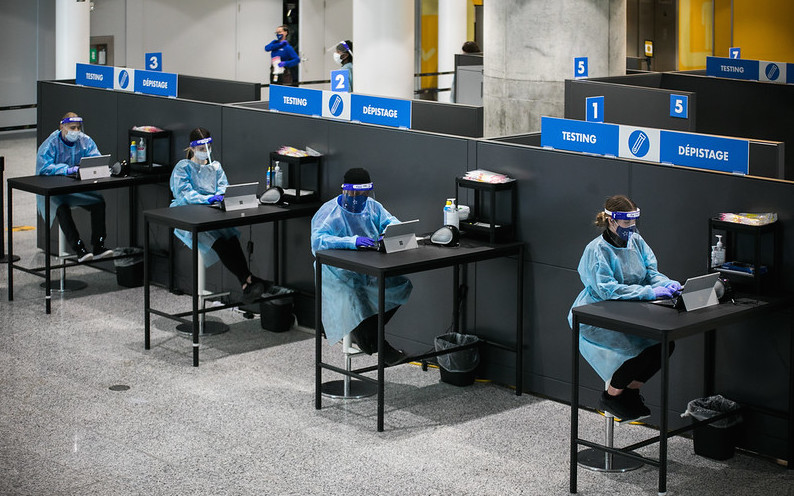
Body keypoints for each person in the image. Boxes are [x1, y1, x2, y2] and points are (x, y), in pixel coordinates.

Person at [568, 195, 682, 422]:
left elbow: (651, 273)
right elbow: (607, 290)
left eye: (633, 223)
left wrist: (666, 283)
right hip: (597, 314)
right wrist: (649, 293)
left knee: (663, 346)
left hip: (630, 311)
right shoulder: (597, 250)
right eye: (626, 223)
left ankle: (629, 393)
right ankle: (610, 397)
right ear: (611, 221)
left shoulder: (637, 241)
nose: (631, 228)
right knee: (636, 353)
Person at [310, 168, 412, 366]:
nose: (357, 198)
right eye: (353, 193)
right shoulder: (330, 212)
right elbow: (318, 241)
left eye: (362, 193)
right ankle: (378, 344)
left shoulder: (373, 207)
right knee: (354, 294)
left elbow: (394, 224)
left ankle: (367, 337)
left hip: (368, 267)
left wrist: (388, 234)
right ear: (345, 191)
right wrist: (351, 241)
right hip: (336, 272)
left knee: (400, 285)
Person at [170, 127, 271, 304]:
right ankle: (247, 280)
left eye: (208, 148)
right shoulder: (183, 167)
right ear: (192, 148)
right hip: (187, 215)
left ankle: (247, 281)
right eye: (201, 149)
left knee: (231, 238)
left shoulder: (215, 167)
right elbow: (183, 194)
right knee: (219, 243)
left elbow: (224, 187)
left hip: (212, 213)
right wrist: (207, 198)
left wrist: (220, 197)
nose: (205, 152)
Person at [36, 112, 113, 263]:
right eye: (72, 128)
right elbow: (44, 168)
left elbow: (95, 159)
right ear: (62, 127)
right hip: (54, 193)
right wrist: (67, 169)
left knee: (98, 202)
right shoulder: (51, 144)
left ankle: (99, 246)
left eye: (78, 128)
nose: (76, 131)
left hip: (74, 190)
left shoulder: (85, 141)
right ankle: (79, 249)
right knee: (62, 209)